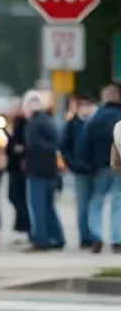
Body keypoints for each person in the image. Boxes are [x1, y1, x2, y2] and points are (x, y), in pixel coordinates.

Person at [77, 83, 121, 254]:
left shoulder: (95, 118)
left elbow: (84, 144)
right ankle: (118, 240)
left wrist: (88, 165)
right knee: (118, 201)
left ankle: (96, 237)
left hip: (101, 167)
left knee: (96, 201)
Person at [22, 89, 65, 251]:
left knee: (38, 206)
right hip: (51, 171)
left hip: (37, 170)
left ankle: (41, 239)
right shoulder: (48, 120)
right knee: (49, 206)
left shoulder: (33, 124)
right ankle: (57, 236)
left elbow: (33, 147)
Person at [61, 93, 97, 248]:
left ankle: (94, 234)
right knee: (83, 204)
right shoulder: (72, 124)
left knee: (95, 204)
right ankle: (85, 236)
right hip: (80, 170)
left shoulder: (96, 123)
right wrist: (72, 164)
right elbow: (64, 146)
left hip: (96, 169)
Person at [5, 105, 30, 243]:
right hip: (14, 167)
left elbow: (20, 145)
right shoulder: (15, 125)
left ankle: (24, 227)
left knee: (17, 196)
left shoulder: (22, 125)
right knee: (16, 197)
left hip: (19, 168)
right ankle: (20, 227)